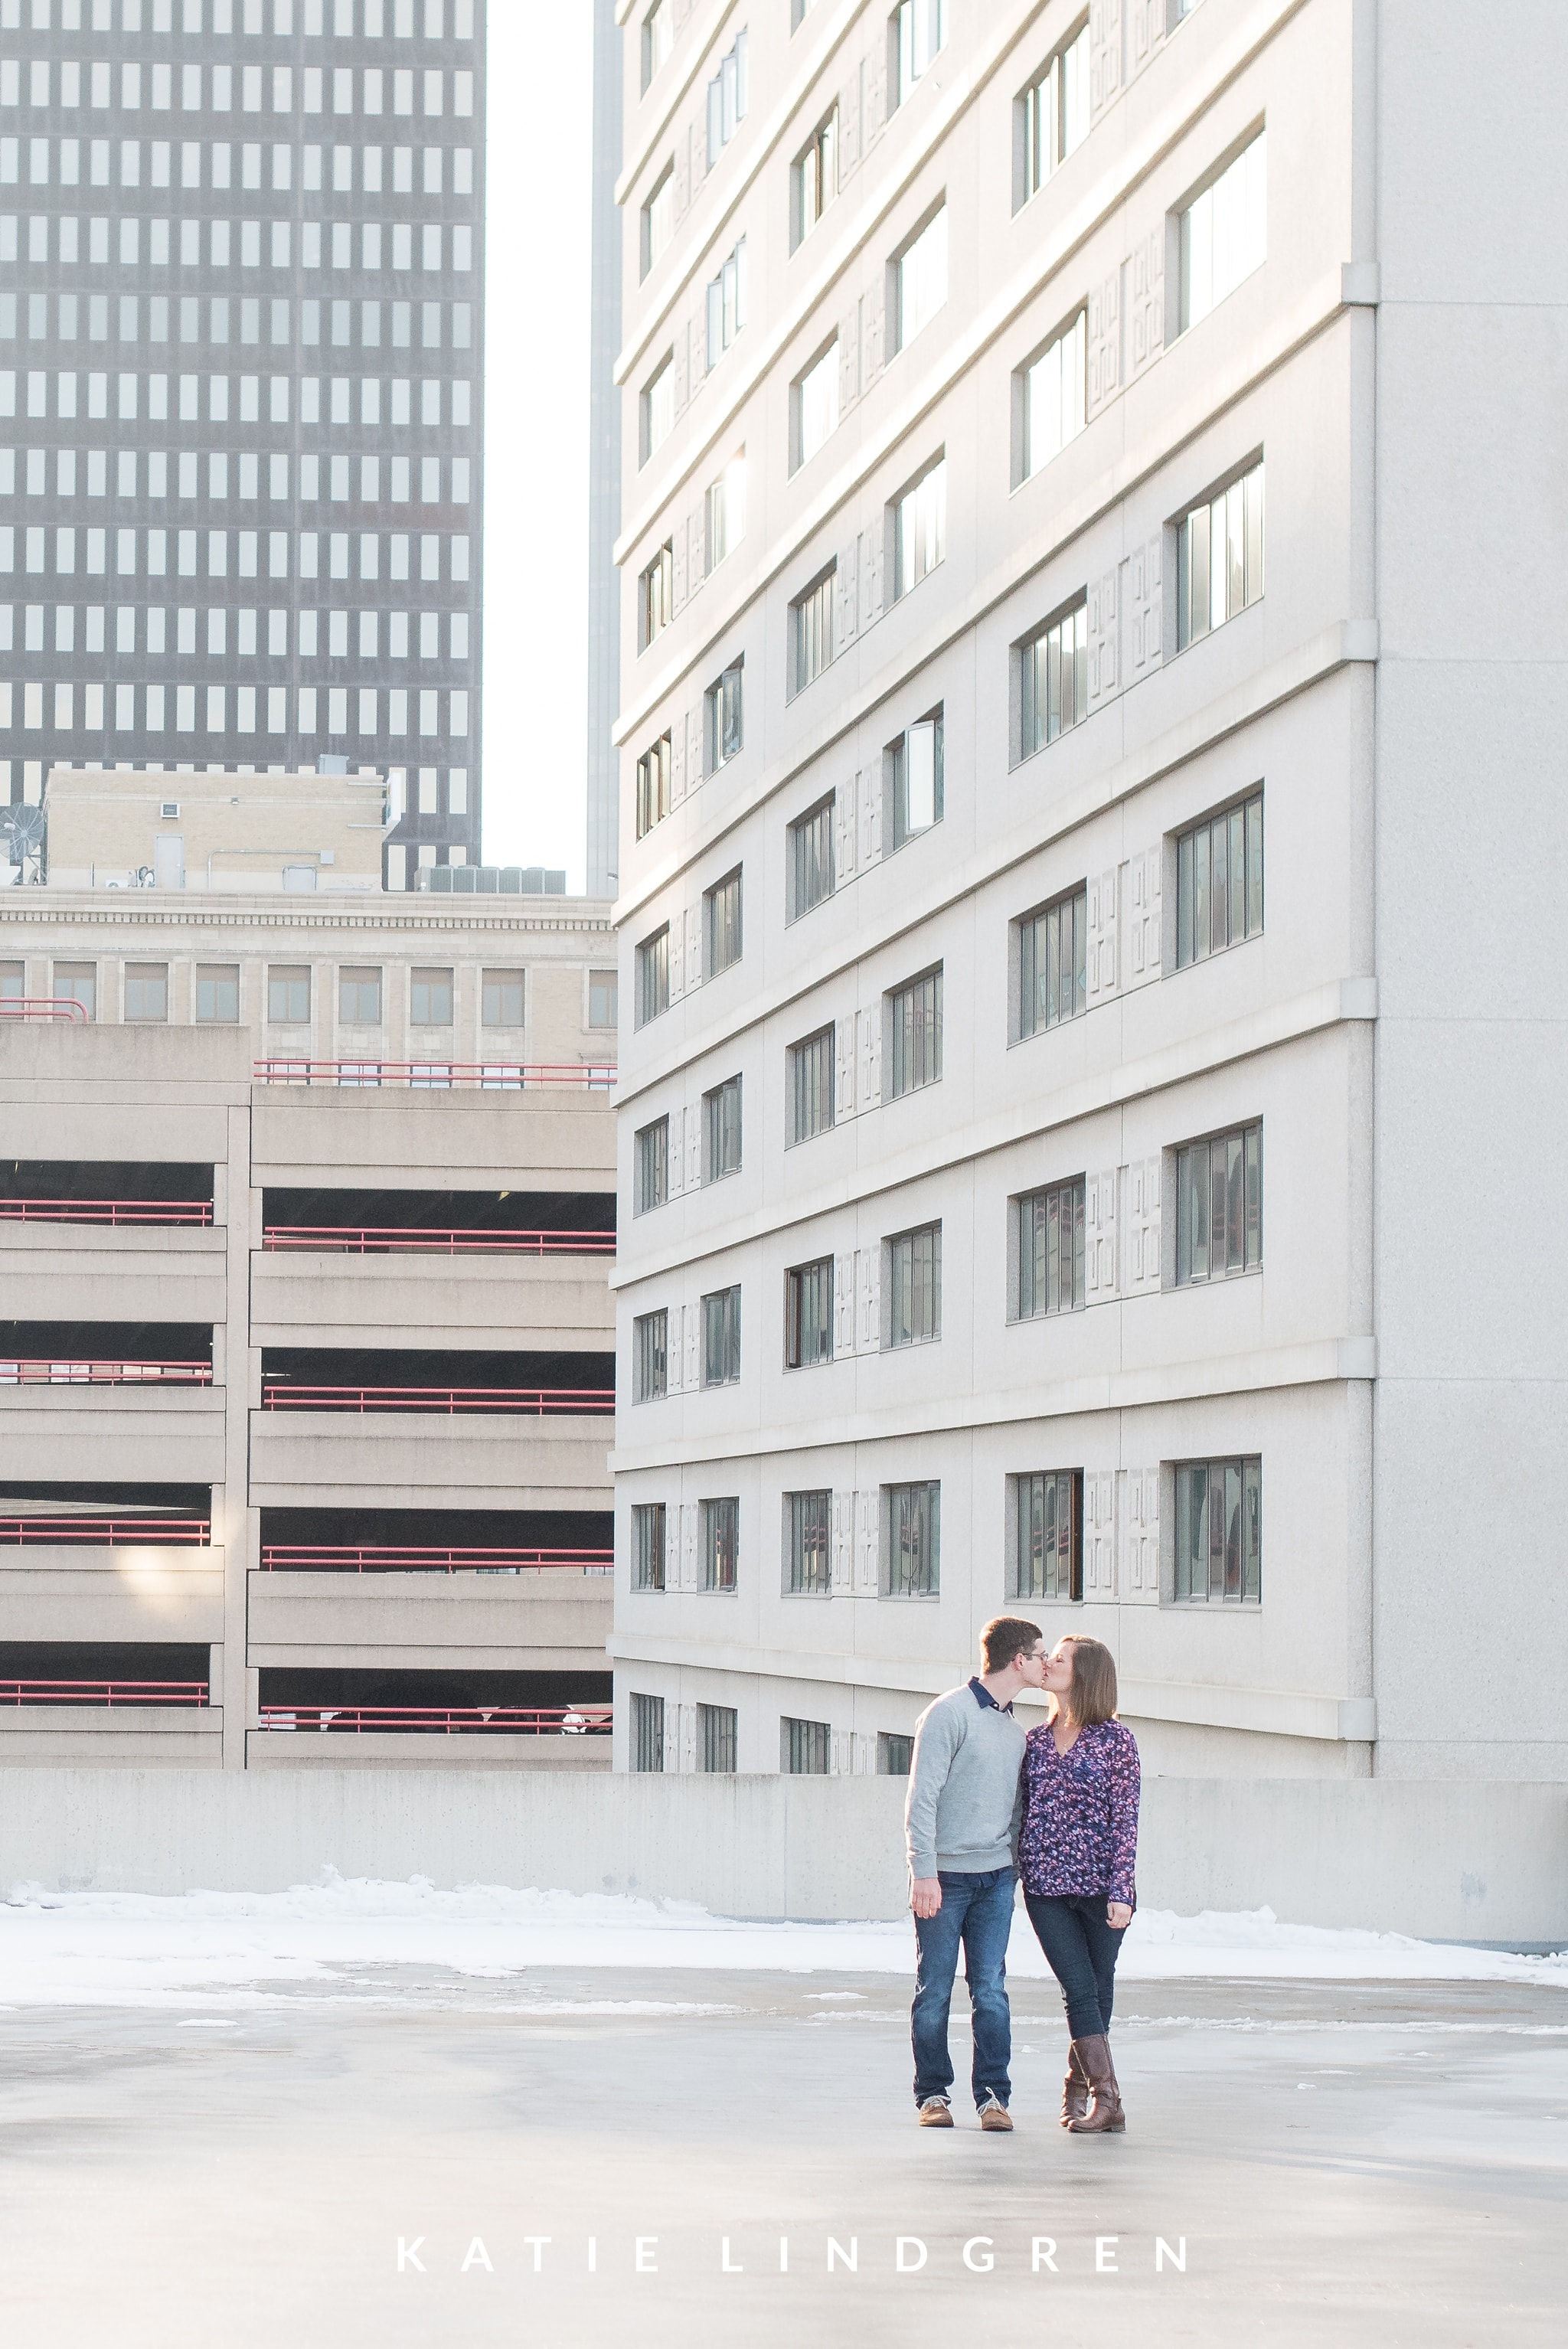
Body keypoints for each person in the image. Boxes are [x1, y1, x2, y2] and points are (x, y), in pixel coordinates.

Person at [903, 1616, 1047, 2131]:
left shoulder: (1015, 1731)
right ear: (1018, 1660)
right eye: (1040, 1654)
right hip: (943, 1879)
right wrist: (923, 1871)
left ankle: (992, 2099)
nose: (1046, 1663)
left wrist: (1011, 1870)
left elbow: (1014, 1809)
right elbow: (922, 1797)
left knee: (990, 1989)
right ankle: (932, 2096)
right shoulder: (948, 1715)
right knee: (935, 1989)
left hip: (995, 1882)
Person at [1018, 1633, 1141, 2134]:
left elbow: (1126, 1821)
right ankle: (1107, 2098)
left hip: (1100, 1888)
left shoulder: (1116, 1741)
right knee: (1078, 1987)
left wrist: (1121, 1890)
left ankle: (1078, 2088)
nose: (1048, 1663)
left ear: (1084, 1674)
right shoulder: (1033, 1741)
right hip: (1045, 1888)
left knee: (1097, 1989)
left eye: (1060, 1659)